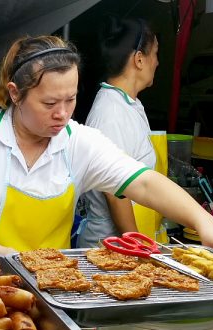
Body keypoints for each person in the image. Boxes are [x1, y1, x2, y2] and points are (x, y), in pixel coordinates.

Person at [0, 35, 213, 257]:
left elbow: (143, 183)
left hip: (50, 285)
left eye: (71, 99)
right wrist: (1, 255)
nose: (62, 113)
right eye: (49, 102)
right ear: (15, 93)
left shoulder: (79, 142)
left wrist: (204, 222)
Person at [77, 17, 162, 248]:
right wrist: (139, 248)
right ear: (139, 59)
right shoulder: (111, 112)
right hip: (110, 246)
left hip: (123, 241)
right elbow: (115, 193)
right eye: (155, 53)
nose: (157, 62)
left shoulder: (129, 104)